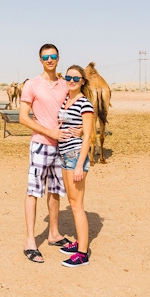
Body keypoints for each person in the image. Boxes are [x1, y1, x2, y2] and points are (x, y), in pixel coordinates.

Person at [19, 43, 80, 263]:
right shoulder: (32, 85)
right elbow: (24, 117)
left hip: (61, 147)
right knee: (34, 191)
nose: (50, 60)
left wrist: (78, 130)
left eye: (53, 56)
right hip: (40, 145)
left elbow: (76, 108)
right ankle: (30, 241)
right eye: (46, 57)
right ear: (40, 60)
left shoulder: (66, 84)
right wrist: (49, 132)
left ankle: (53, 234)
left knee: (55, 191)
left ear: (58, 58)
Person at [57, 65, 94, 267]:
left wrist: (80, 164)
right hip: (64, 157)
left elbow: (88, 135)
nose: (71, 80)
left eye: (76, 78)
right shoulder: (66, 100)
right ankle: (79, 242)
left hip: (75, 158)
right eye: (68, 77)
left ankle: (82, 253)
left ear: (82, 81)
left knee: (77, 205)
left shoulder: (85, 104)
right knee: (71, 202)